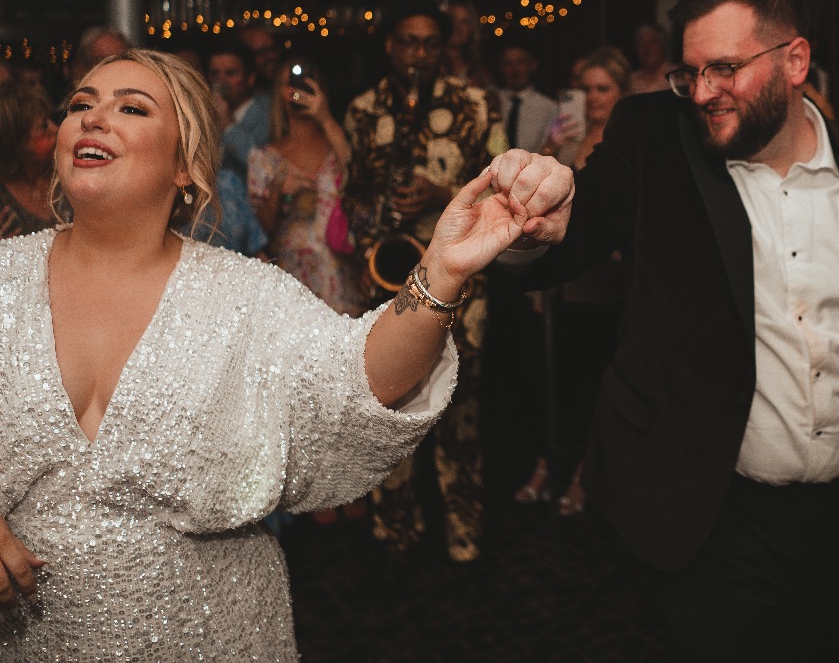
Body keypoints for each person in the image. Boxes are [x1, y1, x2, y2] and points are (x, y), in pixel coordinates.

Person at [487, 0, 839, 659]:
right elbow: (587, 222)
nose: (703, 92)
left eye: (724, 69)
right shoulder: (656, 138)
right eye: (691, 73)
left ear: (795, 61)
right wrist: (533, 224)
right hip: (712, 508)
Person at [0, 48, 547, 658]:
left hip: (216, 636)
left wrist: (442, 270)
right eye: (80, 105)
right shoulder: (2, 280)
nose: (91, 119)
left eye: (131, 107)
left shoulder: (246, 294)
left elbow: (362, 380)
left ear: (186, 163)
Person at [342, 0, 506, 564]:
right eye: (408, 42)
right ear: (390, 46)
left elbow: (504, 187)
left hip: (467, 288)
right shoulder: (362, 111)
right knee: (390, 416)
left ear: (445, 47)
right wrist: (374, 228)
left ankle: (464, 538)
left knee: (461, 417)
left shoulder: (478, 104)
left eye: (430, 43)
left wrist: (441, 195)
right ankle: (396, 535)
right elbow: (351, 193)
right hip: (391, 287)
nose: (419, 53)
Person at [514, 47, 630, 516]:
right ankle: (544, 466)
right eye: (584, 89)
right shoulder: (564, 142)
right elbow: (534, 212)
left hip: (606, 287)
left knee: (592, 382)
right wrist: (546, 150)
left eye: (603, 88)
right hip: (560, 285)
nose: (592, 97)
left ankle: (583, 473)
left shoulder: (624, 148)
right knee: (547, 378)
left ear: (620, 93)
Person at [248, 57, 363, 316]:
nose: (300, 90)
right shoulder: (264, 158)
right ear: (279, 92)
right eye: (292, 84)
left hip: (342, 277)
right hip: (292, 280)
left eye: (309, 82)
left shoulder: (338, 144)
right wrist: (278, 194)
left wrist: (324, 118)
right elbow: (258, 233)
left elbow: (359, 178)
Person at [0, 82, 60, 238]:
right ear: (16, 141)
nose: (56, 129)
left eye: (51, 120)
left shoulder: (64, 175)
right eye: (43, 126)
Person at [207, 42, 271, 183]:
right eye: (215, 74)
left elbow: (265, 169)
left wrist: (228, 125)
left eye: (230, 73)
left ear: (250, 78)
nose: (221, 81)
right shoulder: (204, 116)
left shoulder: (266, 118)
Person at [495, 40, 557, 152]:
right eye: (508, 63)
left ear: (533, 65)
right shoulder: (492, 101)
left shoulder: (549, 107)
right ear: (501, 67)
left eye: (520, 62)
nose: (514, 70)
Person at [444, 0, 492, 88]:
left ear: (472, 28)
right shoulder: (432, 62)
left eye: (465, 22)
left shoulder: (478, 68)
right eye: (453, 19)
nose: (458, 27)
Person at [628, 24, 674, 94]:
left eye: (652, 43)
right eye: (641, 44)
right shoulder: (630, 81)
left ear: (663, 45)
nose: (647, 49)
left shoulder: (677, 76)